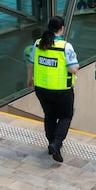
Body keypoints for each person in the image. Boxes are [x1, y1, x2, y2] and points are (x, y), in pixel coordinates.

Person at [27, 16, 79, 163]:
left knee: (49, 115)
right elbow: (73, 68)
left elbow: (30, 64)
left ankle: (51, 143)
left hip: (41, 89)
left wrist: (29, 80)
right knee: (65, 116)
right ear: (61, 29)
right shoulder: (65, 46)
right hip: (61, 90)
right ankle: (56, 142)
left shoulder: (38, 43)